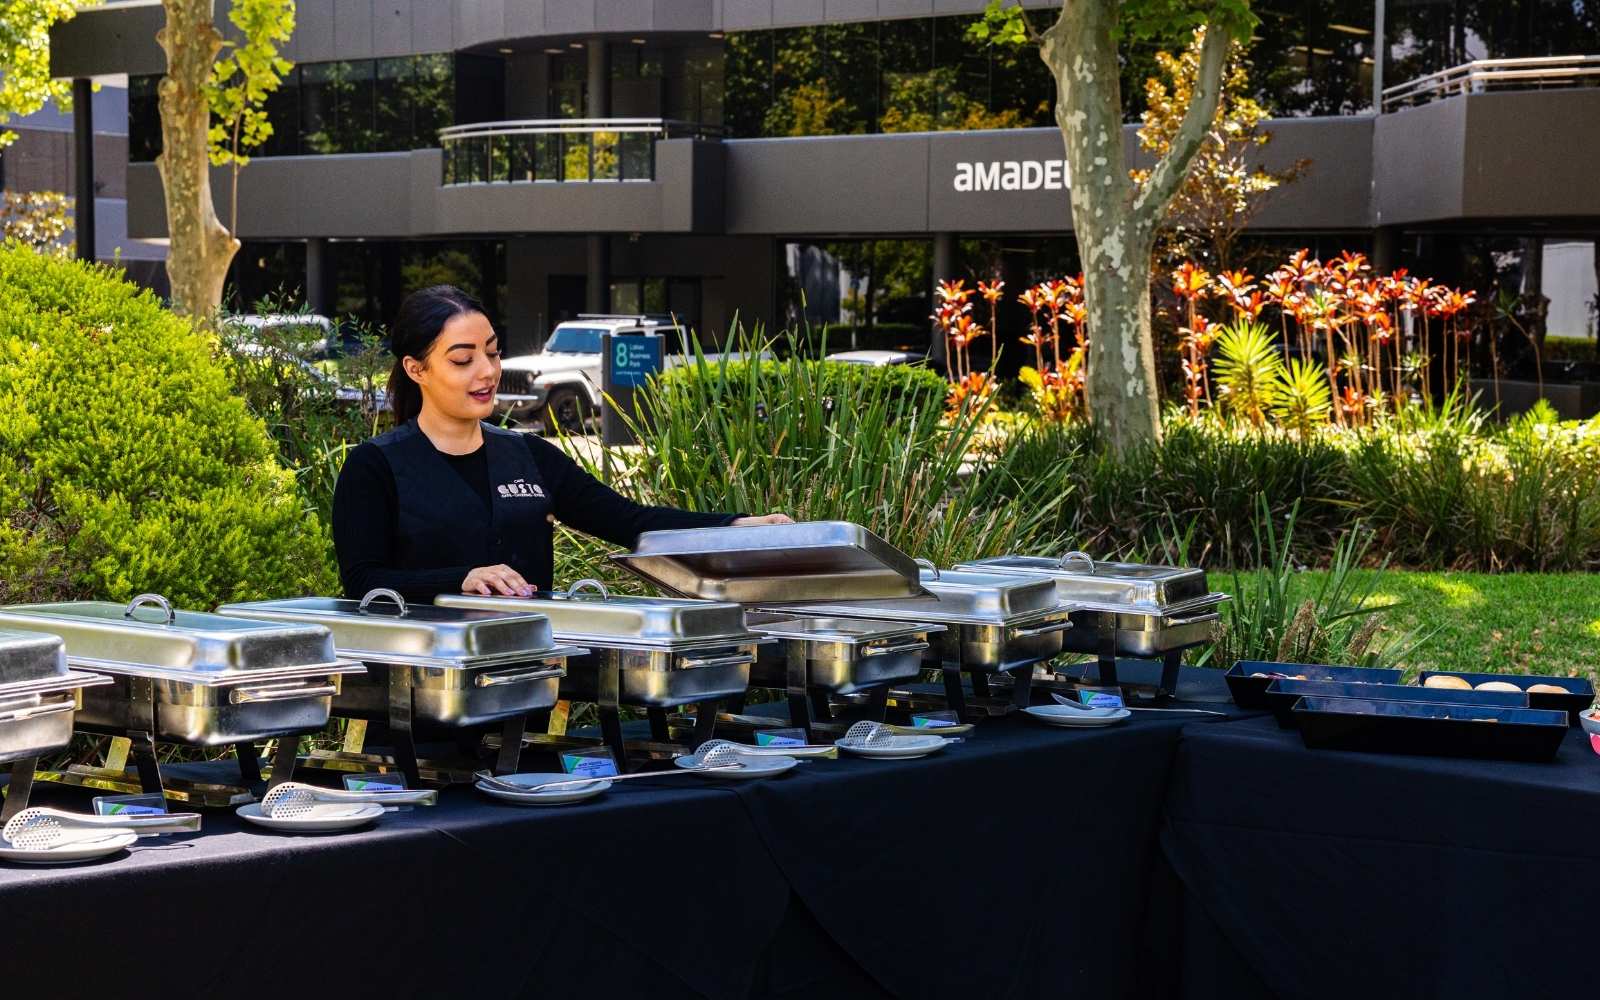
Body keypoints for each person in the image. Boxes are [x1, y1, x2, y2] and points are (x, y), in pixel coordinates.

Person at [332, 285, 791, 602]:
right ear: (417, 369)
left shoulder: (528, 456)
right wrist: (462, 579)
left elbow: (632, 522)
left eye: (492, 352)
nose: (487, 372)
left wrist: (735, 527)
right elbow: (363, 581)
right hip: (423, 691)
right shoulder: (376, 466)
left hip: (527, 679)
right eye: (462, 360)